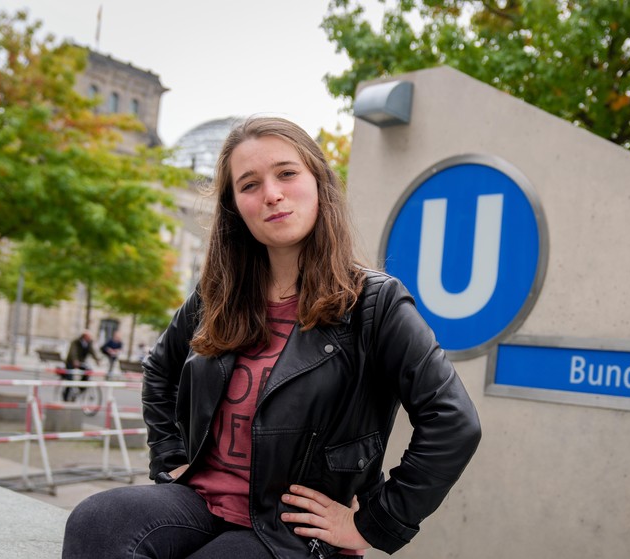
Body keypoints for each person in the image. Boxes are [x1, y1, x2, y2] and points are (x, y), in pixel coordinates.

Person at [63, 117, 482, 558]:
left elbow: (453, 421)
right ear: (235, 207)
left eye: (286, 173)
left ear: (318, 182)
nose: (271, 194)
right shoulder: (216, 297)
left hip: (289, 526)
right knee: (96, 520)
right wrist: (170, 459)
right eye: (249, 185)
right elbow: (159, 371)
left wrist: (374, 523)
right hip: (200, 500)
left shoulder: (374, 303)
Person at [61, 330, 100, 402]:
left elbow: (92, 352)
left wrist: (97, 359)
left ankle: (80, 387)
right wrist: (75, 360)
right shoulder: (76, 342)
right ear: (84, 336)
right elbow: (73, 352)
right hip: (71, 362)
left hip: (81, 362)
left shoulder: (89, 343)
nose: (90, 338)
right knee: (70, 379)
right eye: (88, 337)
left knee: (88, 372)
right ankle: (66, 396)